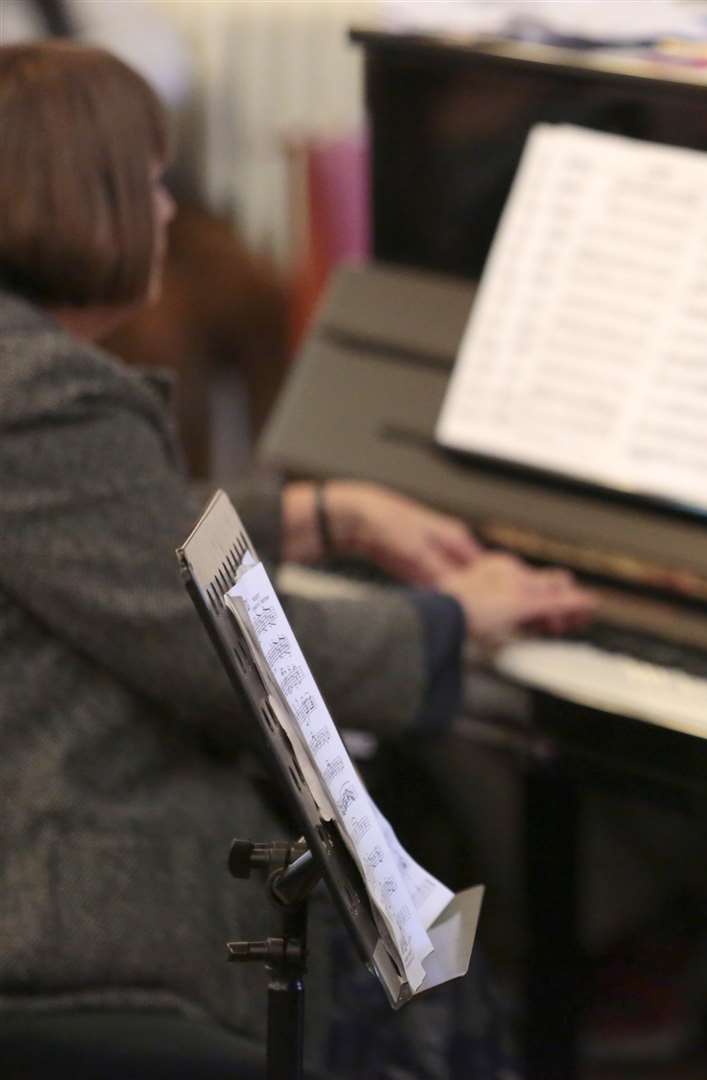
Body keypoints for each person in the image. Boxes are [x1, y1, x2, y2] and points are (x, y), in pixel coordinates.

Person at [0, 40, 595, 1075]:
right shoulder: (43, 390)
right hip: (67, 908)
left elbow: (116, 530)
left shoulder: (28, 377)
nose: (173, 211)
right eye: (151, 181)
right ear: (77, 196)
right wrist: (461, 622)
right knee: (432, 975)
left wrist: (331, 513)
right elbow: (218, 650)